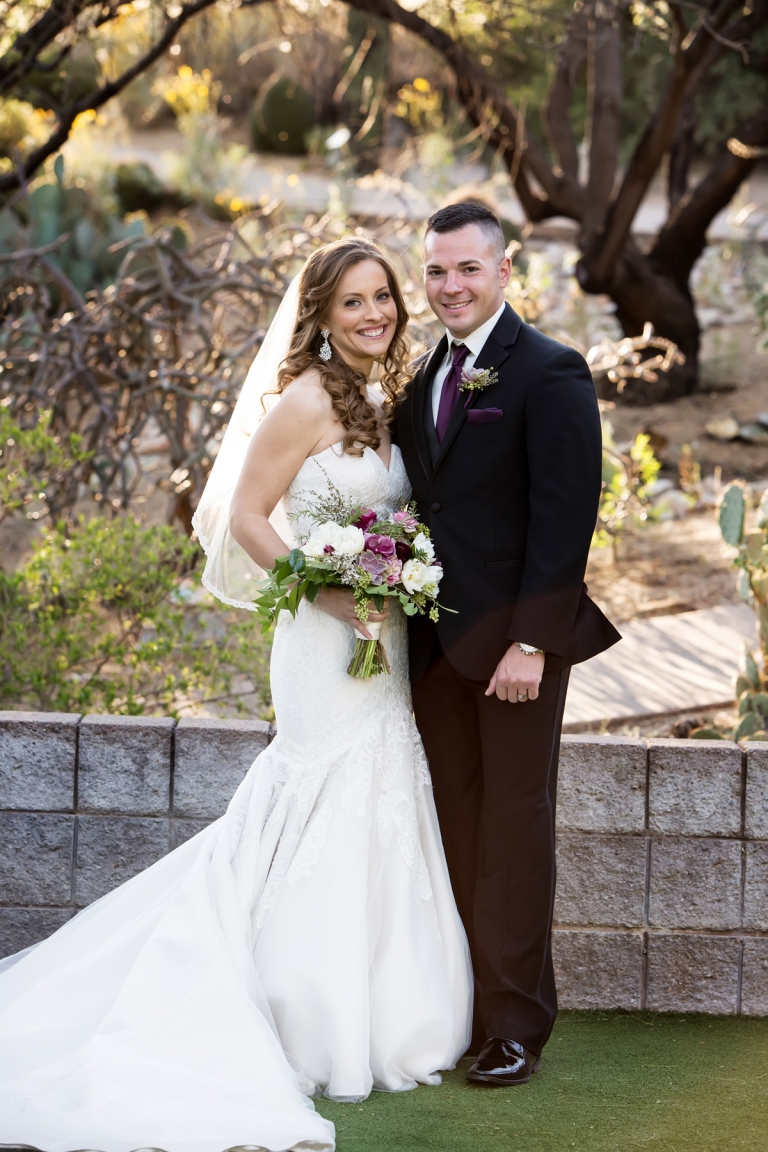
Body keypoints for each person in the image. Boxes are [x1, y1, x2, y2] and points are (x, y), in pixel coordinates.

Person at [0, 237, 472, 1152]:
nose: (375, 314)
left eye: (384, 298)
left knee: (382, 789)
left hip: (385, 636)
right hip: (320, 639)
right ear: (322, 318)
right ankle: (300, 1012)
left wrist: (394, 574)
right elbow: (245, 517)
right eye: (353, 304)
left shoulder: (384, 396)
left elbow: (396, 513)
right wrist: (330, 587)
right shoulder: (301, 400)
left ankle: (388, 1011)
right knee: (318, 798)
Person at [396, 202, 620, 1087]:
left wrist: (532, 642)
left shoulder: (551, 372)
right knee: (457, 826)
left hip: (517, 651)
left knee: (515, 833)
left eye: (467, 270)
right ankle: (466, 1007)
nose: (451, 286)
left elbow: (566, 519)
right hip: (432, 646)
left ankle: (516, 1029)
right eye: (437, 272)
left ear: (504, 270)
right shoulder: (426, 374)